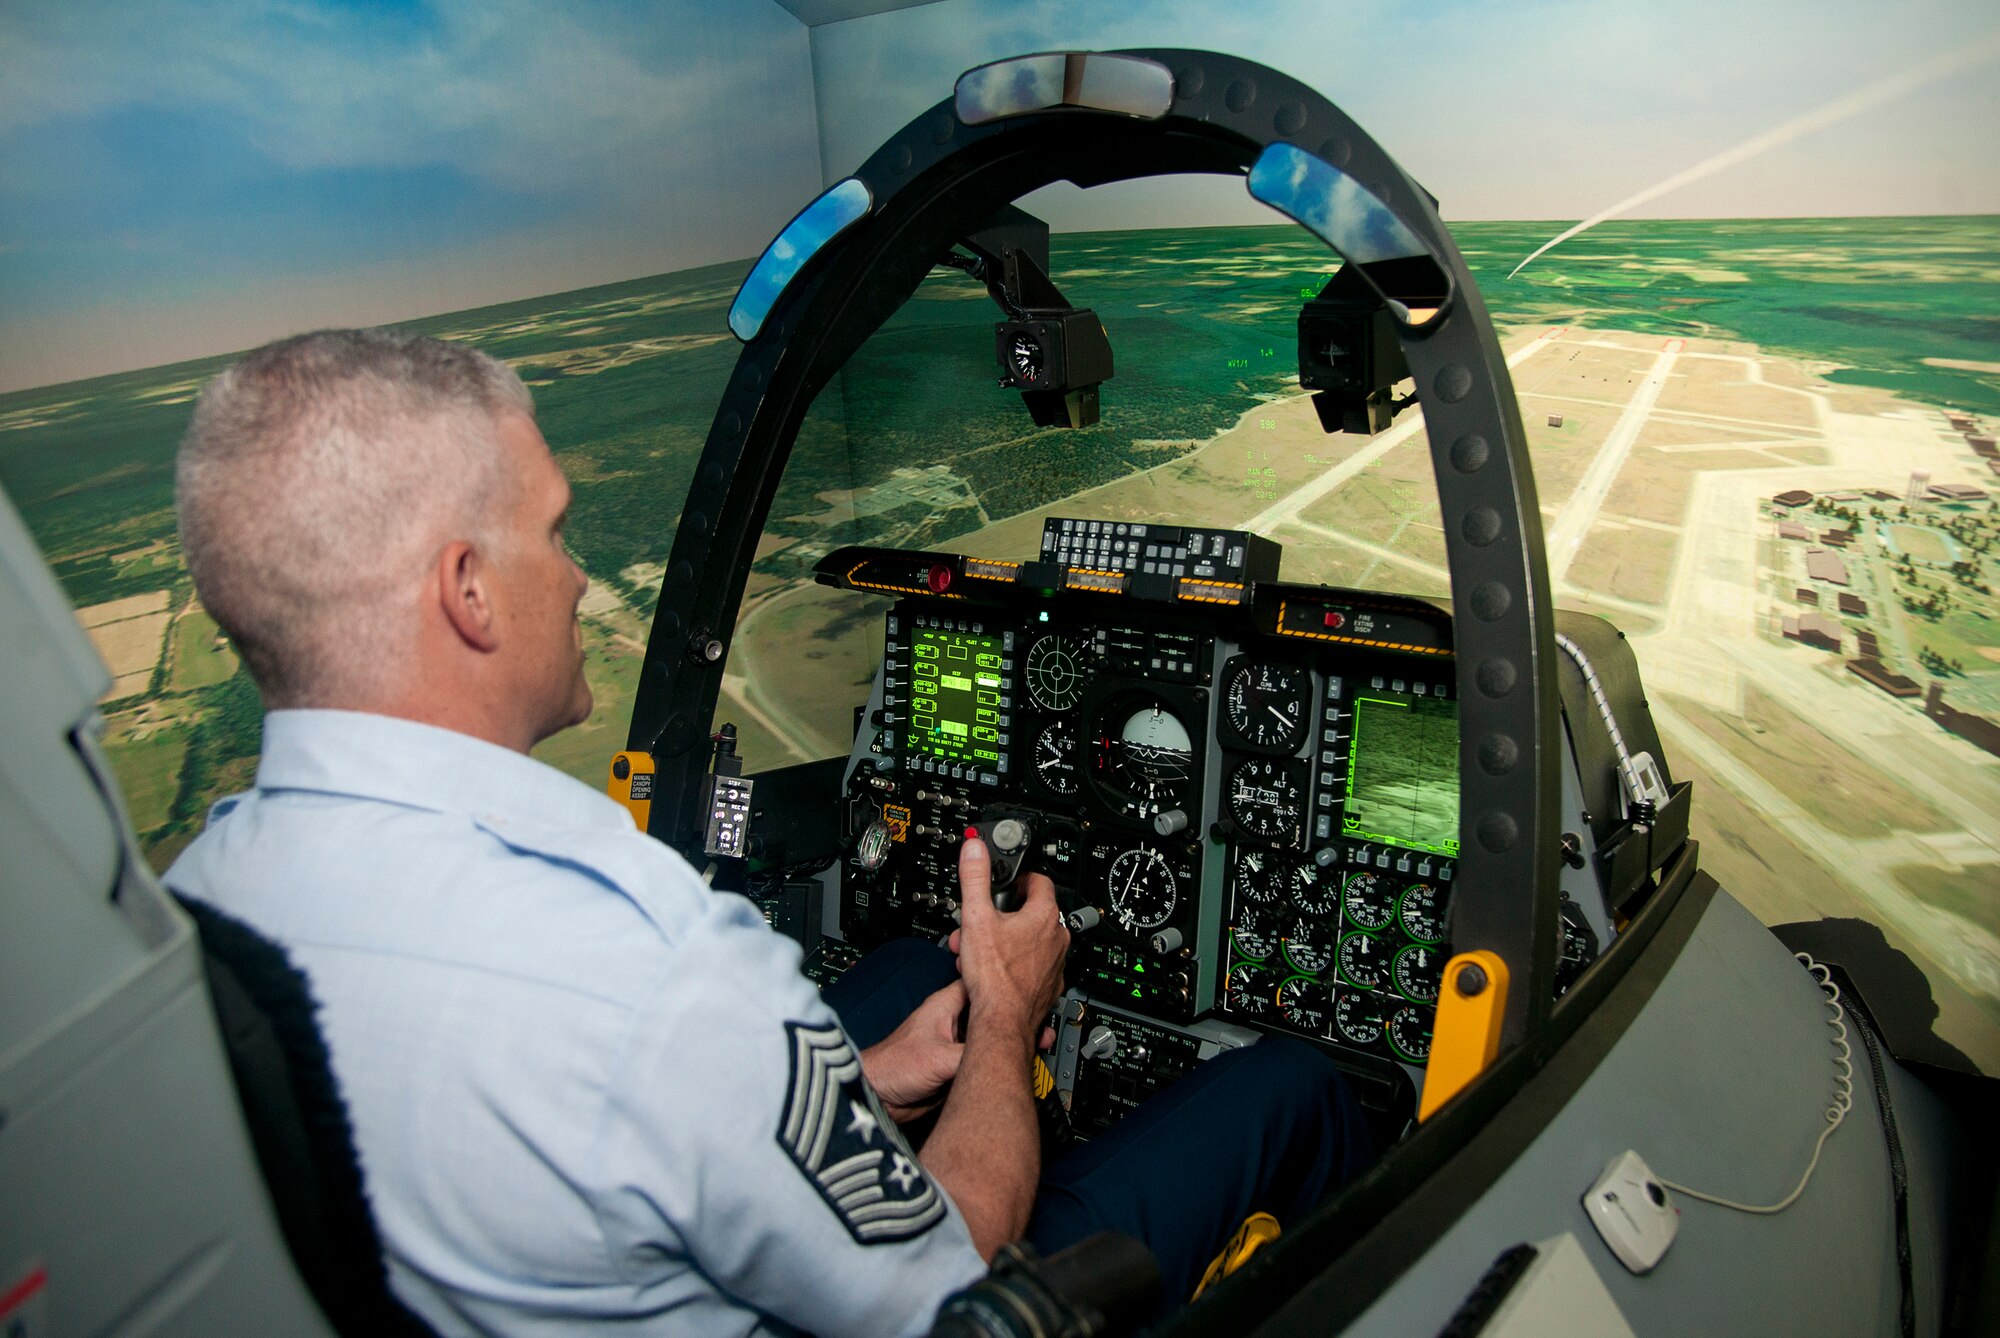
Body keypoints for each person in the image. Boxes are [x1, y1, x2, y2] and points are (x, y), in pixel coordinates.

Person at [167, 328, 1371, 1337]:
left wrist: (842, 1080)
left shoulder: (199, 904)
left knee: (904, 973)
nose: (581, 579)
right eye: (556, 531)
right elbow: (950, 1261)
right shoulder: (647, 969)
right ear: (467, 591)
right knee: (1292, 1085)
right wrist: (1010, 1013)